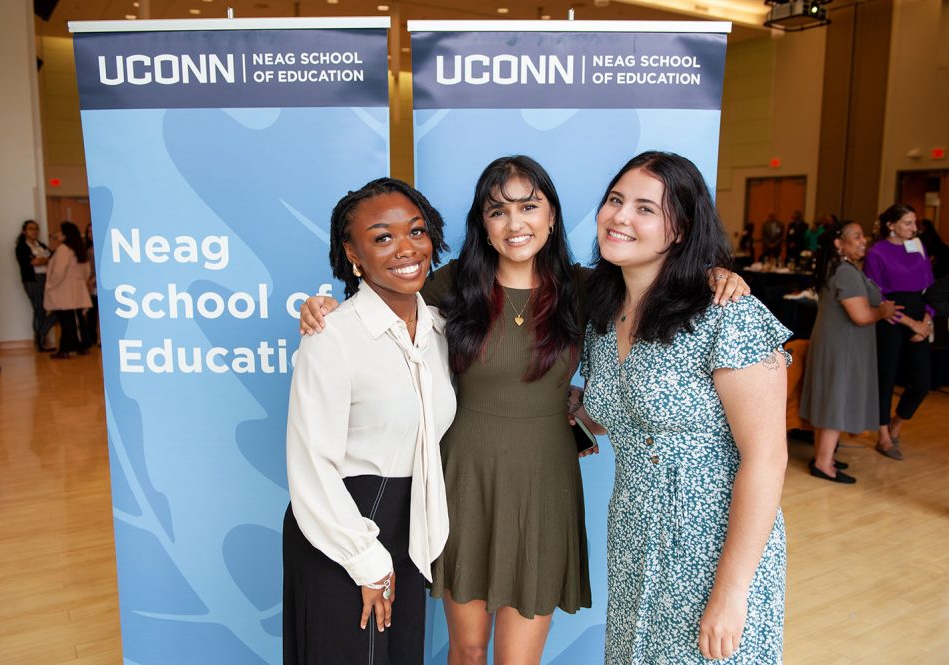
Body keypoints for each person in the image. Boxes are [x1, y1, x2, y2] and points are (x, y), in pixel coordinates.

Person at [299, 156, 750, 665]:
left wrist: (715, 274)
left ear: (552, 216)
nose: (515, 224)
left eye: (529, 206)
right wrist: (323, 308)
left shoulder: (586, 290)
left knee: (519, 660)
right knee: (467, 651)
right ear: (482, 224)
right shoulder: (450, 285)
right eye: (498, 210)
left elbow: (661, 278)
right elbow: (378, 301)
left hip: (545, 485)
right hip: (464, 481)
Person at [580, 151, 788, 664]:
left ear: (680, 229)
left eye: (645, 208)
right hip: (634, 535)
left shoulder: (726, 313)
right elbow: (622, 414)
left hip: (712, 545)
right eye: (615, 200)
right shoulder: (603, 317)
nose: (620, 217)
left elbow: (767, 459)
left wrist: (733, 591)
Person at [283, 178, 457, 665]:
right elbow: (311, 462)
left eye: (417, 232)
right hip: (342, 526)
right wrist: (365, 560)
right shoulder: (331, 335)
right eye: (383, 237)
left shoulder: (441, 329)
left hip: (410, 523)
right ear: (352, 254)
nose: (406, 248)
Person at [799, 221, 900, 483]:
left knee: (830, 400)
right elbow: (861, 315)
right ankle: (823, 463)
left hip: (834, 344)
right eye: (856, 236)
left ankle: (824, 455)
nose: (863, 240)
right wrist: (884, 311)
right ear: (838, 243)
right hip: (842, 347)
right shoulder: (844, 271)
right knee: (836, 402)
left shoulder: (837, 268)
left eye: (862, 235)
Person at [863, 204, 936, 460]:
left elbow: (930, 285)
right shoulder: (877, 252)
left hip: (920, 315)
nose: (914, 228)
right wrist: (910, 323)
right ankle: (883, 436)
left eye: (914, 223)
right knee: (886, 379)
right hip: (891, 320)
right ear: (891, 225)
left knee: (922, 381)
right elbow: (877, 296)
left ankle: (896, 424)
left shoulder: (917, 246)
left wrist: (927, 319)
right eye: (907, 223)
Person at [44, 221, 92, 359]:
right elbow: (86, 271)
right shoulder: (79, 249)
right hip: (77, 288)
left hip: (64, 289)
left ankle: (66, 349)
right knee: (79, 320)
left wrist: (50, 284)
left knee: (67, 321)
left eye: (60, 232)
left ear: (65, 235)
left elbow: (59, 271)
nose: (57, 235)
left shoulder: (64, 249)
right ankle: (83, 346)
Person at [14, 220, 57, 352]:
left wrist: (43, 260)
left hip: (46, 279)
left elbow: (53, 258)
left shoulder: (41, 245)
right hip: (33, 280)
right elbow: (34, 262)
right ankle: (40, 340)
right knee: (39, 309)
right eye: (31, 229)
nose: (34, 231)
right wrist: (44, 260)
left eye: (36, 229)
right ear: (24, 231)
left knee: (54, 308)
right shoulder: (21, 247)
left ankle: (41, 334)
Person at [84, 222, 99, 346]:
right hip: (91, 285)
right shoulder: (88, 250)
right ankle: (92, 338)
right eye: (89, 232)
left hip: (98, 283)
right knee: (92, 313)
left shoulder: (101, 249)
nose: (91, 235)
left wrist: (94, 279)